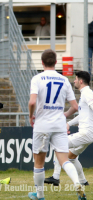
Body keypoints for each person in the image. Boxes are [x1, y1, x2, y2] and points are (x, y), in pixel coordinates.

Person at [28, 49, 86, 200]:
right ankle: (77, 184)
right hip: (59, 125)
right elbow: (75, 106)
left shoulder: (37, 78)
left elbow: (32, 101)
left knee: (39, 163)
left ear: (42, 62)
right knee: (64, 159)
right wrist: (64, 115)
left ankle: (40, 196)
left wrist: (30, 116)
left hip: (42, 124)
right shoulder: (64, 80)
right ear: (55, 63)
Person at [44, 71, 93, 187]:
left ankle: (56, 177)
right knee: (71, 157)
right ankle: (83, 181)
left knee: (59, 144)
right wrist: (69, 123)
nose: (74, 81)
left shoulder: (87, 93)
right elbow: (83, 115)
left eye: (76, 79)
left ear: (81, 81)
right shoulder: (85, 94)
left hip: (86, 133)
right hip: (87, 134)